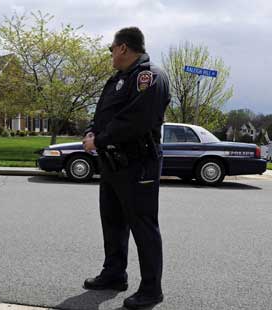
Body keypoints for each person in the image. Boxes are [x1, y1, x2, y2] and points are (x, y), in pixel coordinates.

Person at [82, 27, 170, 309]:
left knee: (143, 225)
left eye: (111, 49)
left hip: (138, 164)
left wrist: (100, 139)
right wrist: (90, 132)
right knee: (113, 221)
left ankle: (151, 289)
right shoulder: (119, 79)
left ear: (122, 48)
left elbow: (137, 120)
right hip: (112, 164)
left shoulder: (149, 77)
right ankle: (114, 274)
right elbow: (103, 114)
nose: (110, 55)